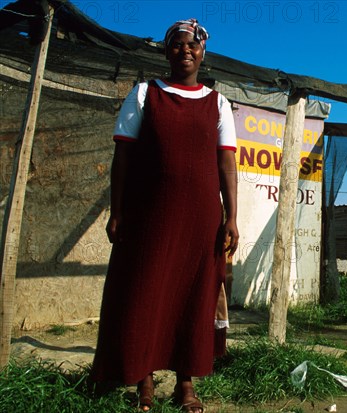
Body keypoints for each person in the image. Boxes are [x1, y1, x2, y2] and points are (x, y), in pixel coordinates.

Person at [90, 19, 238, 413]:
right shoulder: (144, 95)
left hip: (201, 220)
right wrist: (117, 211)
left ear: (203, 53)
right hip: (149, 216)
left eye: (193, 45)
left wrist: (232, 217)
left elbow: (227, 164)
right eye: (177, 44)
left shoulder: (217, 102)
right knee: (146, 293)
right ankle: (145, 380)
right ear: (166, 51)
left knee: (193, 296)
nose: (185, 50)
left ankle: (185, 385)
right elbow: (122, 156)